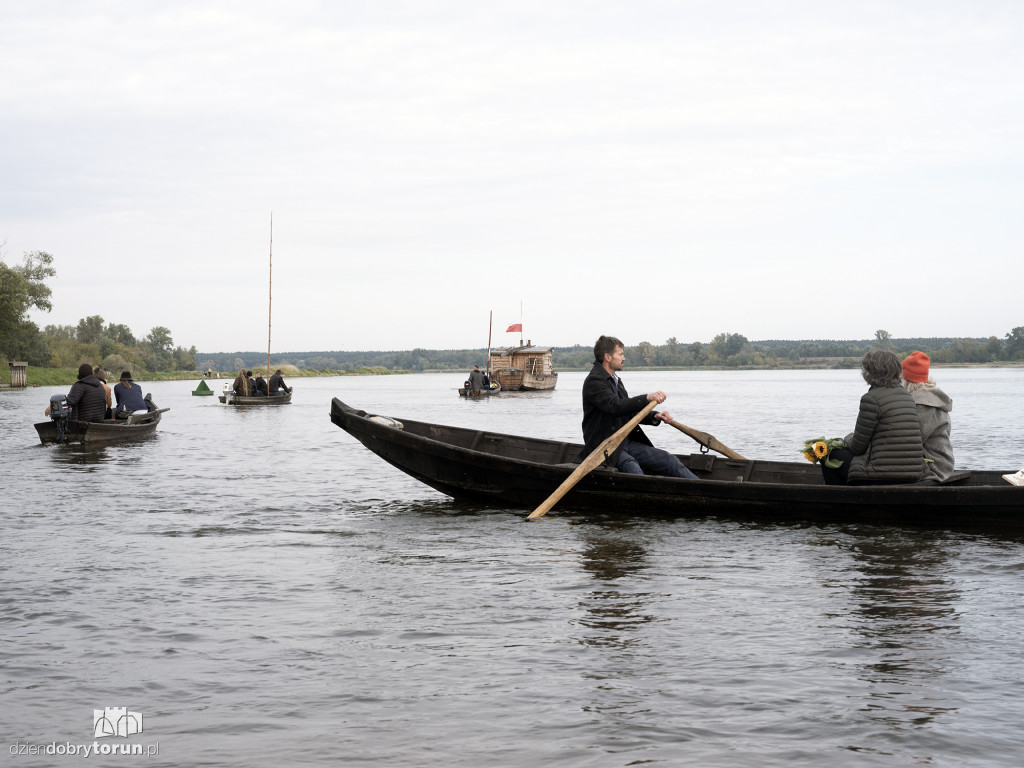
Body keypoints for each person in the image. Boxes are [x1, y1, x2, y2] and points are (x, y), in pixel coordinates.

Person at [580, 335, 698, 478]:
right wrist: (647, 398)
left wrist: (654, 416)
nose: (624, 358)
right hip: (605, 448)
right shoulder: (594, 381)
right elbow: (615, 406)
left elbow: (628, 412)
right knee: (633, 469)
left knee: (669, 460)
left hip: (626, 443)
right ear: (608, 357)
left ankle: (705, 492)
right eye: (620, 354)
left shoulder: (615, 380)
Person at [820, 348, 925, 485]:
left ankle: (840, 500)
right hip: (913, 474)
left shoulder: (871, 399)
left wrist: (846, 439)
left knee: (826, 452)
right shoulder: (907, 396)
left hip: (880, 475)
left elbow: (857, 447)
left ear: (870, 372)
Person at [902, 351, 955, 482]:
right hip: (944, 464)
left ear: (906, 379)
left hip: (934, 469)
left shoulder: (922, 405)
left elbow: (910, 441)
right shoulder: (933, 398)